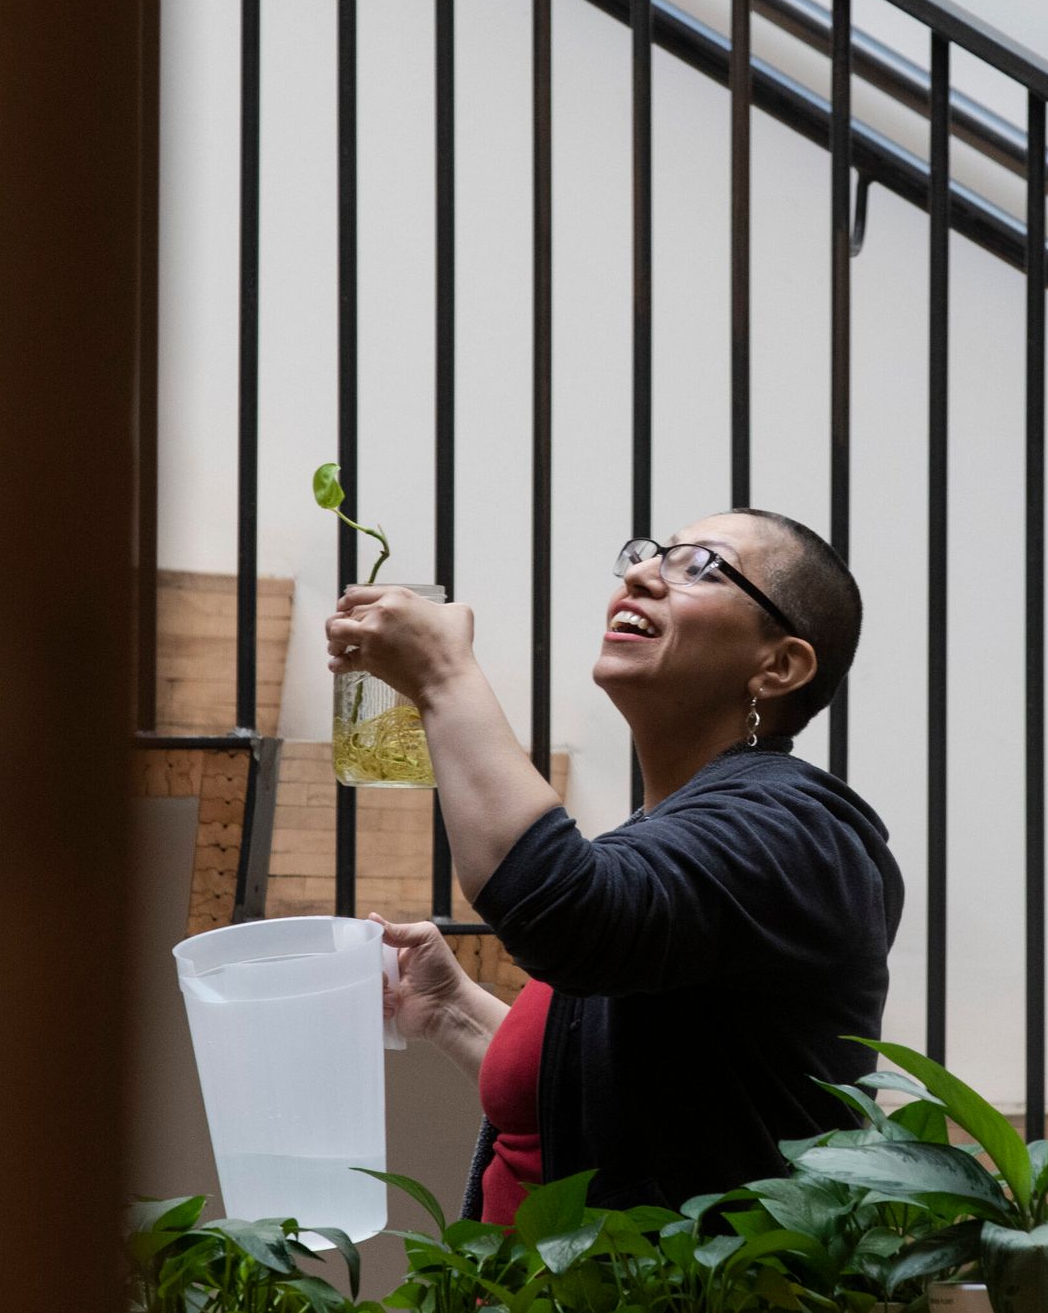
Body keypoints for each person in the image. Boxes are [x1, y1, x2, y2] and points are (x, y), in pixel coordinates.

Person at [323, 510, 902, 1225]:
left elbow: (564, 909)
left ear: (778, 666)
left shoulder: (798, 833)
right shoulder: (666, 845)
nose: (640, 574)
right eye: (650, 556)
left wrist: (443, 675)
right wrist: (451, 1009)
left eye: (701, 567)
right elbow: (597, 1097)